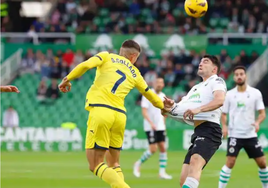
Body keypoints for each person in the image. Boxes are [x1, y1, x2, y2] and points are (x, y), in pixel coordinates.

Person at [58, 40, 165, 188]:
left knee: (95, 164)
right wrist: (164, 108)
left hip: (101, 111)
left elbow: (85, 65)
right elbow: (150, 95)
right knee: (114, 163)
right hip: (120, 116)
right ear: (133, 57)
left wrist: (66, 79)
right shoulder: (135, 73)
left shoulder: (106, 56)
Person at [163, 55, 227, 188]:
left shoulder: (217, 81)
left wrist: (199, 109)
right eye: (200, 61)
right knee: (183, 179)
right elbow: (181, 111)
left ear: (214, 69)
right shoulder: (195, 88)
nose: (200, 63)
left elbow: (220, 100)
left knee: (195, 162)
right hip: (198, 132)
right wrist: (169, 109)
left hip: (210, 130)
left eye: (205, 61)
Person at [218, 66, 267, 188]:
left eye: (241, 74)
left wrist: (257, 123)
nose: (239, 76)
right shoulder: (229, 95)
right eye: (237, 74)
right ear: (234, 77)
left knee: (262, 163)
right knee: (230, 162)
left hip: (251, 134)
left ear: (245, 76)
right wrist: (224, 126)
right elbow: (223, 114)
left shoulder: (255, 93)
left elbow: (262, 114)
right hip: (235, 135)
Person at [133, 77, 172, 179]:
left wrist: (163, 125)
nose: (159, 84)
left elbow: (164, 113)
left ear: (163, 85)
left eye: (161, 82)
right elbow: (144, 111)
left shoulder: (163, 96)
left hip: (160, 126)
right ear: (153, 84)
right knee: (153, 149)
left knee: (163, 148)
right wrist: (151, 123)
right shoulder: (148, 95)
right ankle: (138, 163)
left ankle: (162, 172)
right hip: (150, 126)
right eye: (157, 82)